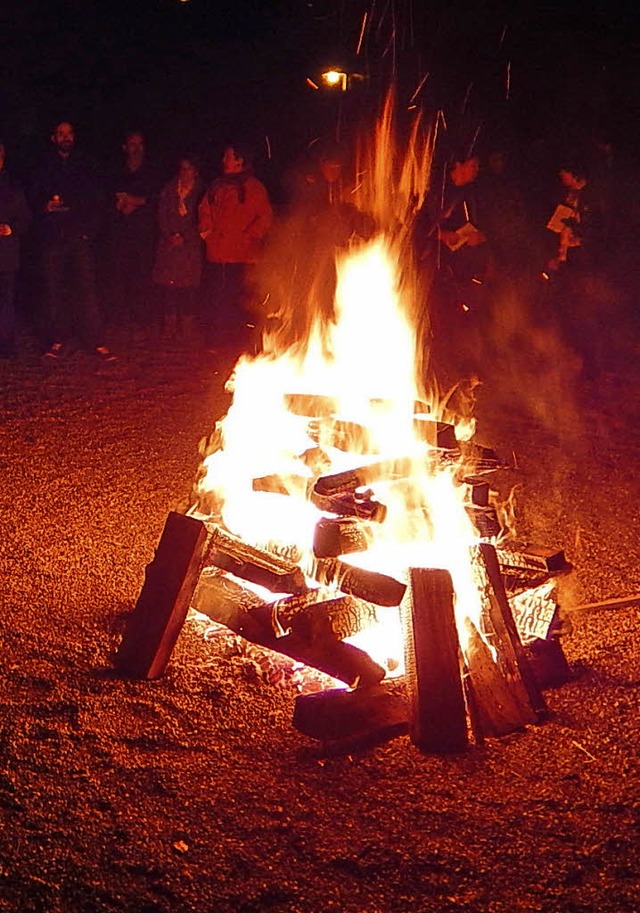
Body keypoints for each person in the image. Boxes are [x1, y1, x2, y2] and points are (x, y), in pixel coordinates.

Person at [29, 121, 115, 361]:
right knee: (53, 290)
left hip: (79, 236)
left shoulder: (86, 164)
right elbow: (33, 198)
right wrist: (44, 206)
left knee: (87, 289)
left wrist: (89, 231)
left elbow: (98, 199)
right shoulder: (44, 166)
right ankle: (57, 340)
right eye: (60, 134)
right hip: (54, 237)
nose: (65, 138)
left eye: (69, 134)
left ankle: (96, 341)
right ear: (53, 138)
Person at [198, 142, 273, 355]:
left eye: (228, 157)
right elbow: (204, 210)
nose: (224, 161)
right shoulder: (217, 186)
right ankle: (217, 341)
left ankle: (244, 344)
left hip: (244, 256)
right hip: (218, 254)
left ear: (239, 161)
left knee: (243, 301)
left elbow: (265, 217)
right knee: (218, 299)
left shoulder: (255, 188)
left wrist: (249, 237)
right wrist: (207, 232)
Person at [103, 130, 161, 331]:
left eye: (140, 144)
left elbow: (157, 199)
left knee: (142, 276)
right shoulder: (115, 172)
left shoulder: (152, 172)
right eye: (133, 144)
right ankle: (116, 318)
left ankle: (142, 319)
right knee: (117, 275)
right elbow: (104, 197)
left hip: (143, 233)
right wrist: (119, 204)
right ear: (125, 148)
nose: (137, 149)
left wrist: (137, 201)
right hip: (119, 233)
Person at [152, 154, 205, 341]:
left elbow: (203, 219)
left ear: (195, 171)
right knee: (169, 288)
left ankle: (187, 328)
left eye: (188, 168)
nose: (184, 172)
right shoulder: (169, 190)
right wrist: (170, 235)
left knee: (188, 289)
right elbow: (161, 215)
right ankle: (170, 328)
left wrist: (186, 237)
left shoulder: (202, 192)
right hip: (169, 248)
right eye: (182, 168)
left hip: (189, 249)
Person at [0, 138, 31, 358]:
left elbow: (25, 219)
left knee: (5, 300)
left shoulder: (12, 187)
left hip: (5, 255)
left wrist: (10, 228)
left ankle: (6, 344)